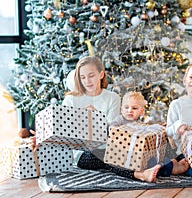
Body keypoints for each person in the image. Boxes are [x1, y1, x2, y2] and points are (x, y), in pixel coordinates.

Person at [32, 56, 160, 182]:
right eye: (82, 77)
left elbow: (112, 132)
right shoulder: (70, 99)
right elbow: (63, 130)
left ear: (101, 74)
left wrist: (96, 118)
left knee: (119, 152)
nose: (87, 81)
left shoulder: (113, 98)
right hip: (83, 154)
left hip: (110, 147)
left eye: (91, 75)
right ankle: (139, 175)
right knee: (106, 156)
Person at [110, 91, 189, 176]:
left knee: (154, 161)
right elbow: (111, 128)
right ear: (121, 109)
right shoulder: (120, 120)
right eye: (126, 107)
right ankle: (169, 168)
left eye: (134, 108)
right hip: (123, 154)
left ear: (142, 111)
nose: (129, 110)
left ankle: (170, 165)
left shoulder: (140, 124)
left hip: (139, 155)